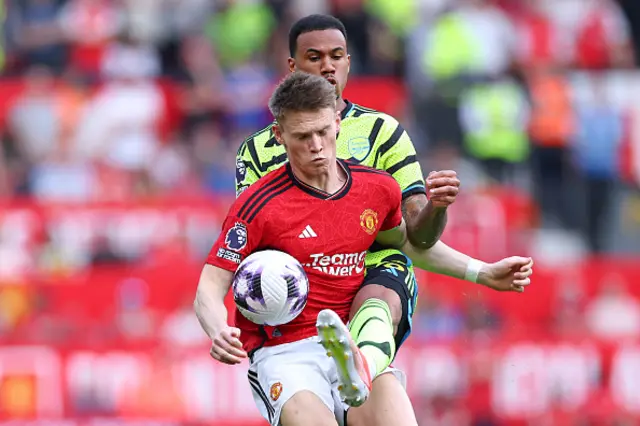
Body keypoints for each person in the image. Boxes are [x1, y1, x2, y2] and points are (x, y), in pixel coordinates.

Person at [196, 72, 534, 426]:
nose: (316, 145)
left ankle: (359, 365)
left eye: (323, 131)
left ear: (338, 123)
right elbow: (209, 288)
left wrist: (482, 272)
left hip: (351, 341)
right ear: (279, 135)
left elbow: (407, 245)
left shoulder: (377, 190)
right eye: (302, 136)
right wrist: (219, 330)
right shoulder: (258, 204)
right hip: (286, 354)